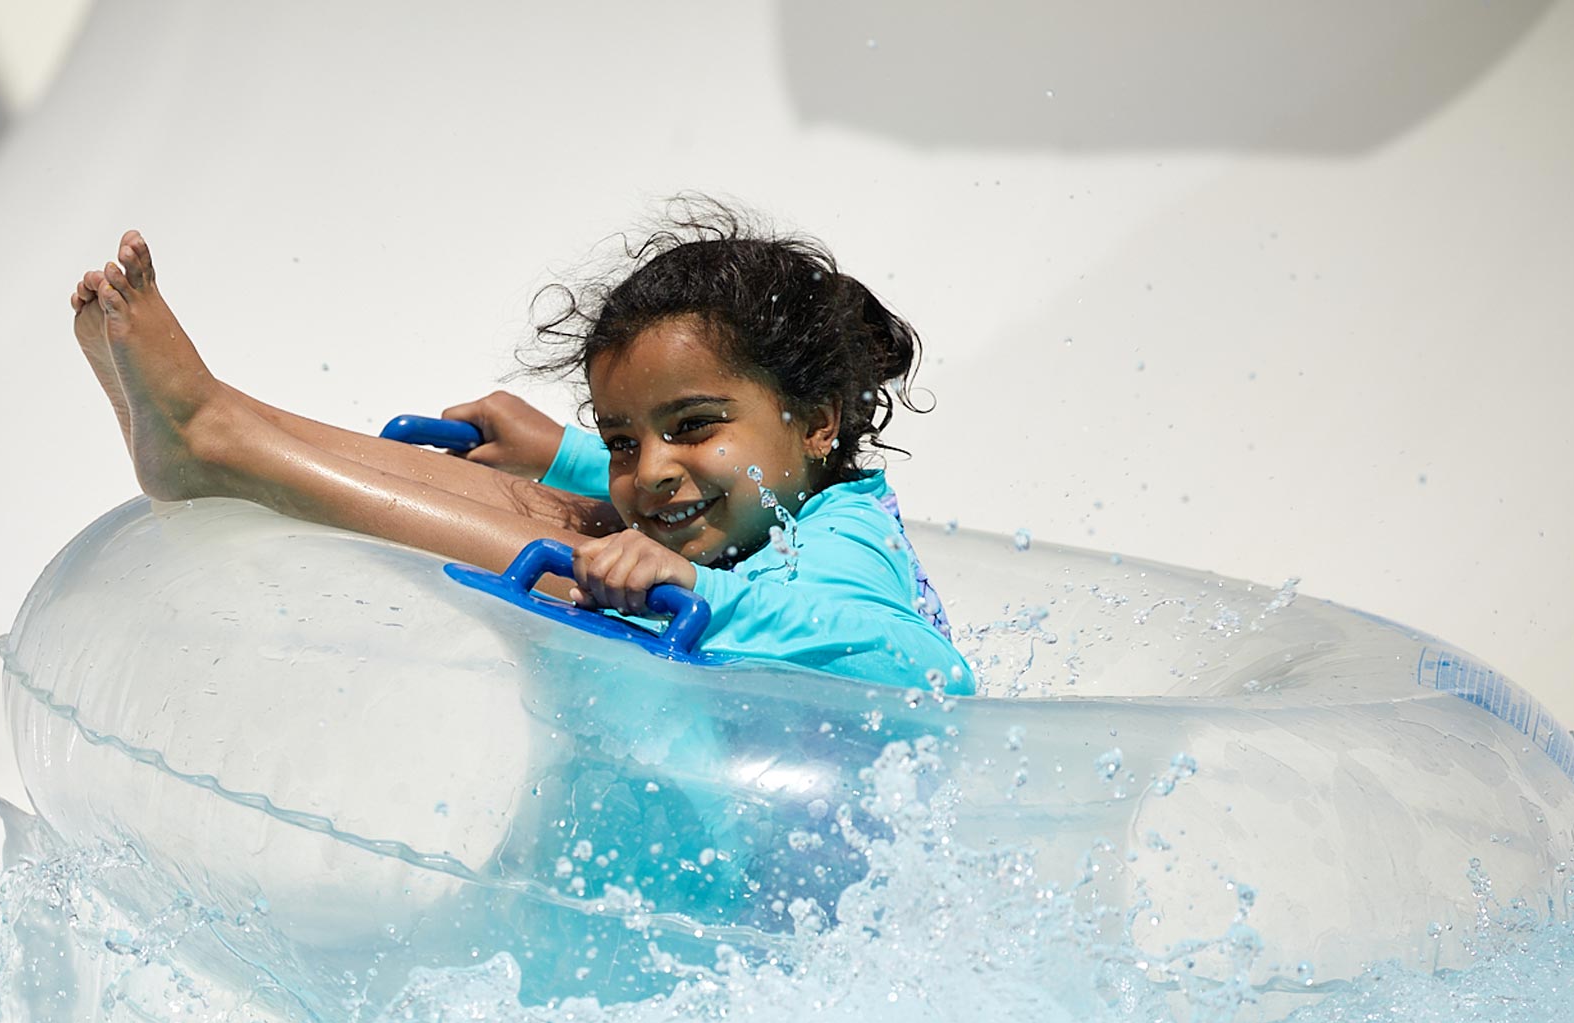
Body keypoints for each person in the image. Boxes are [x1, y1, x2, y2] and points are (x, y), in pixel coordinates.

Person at [68, 206, 973, 694]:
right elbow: (657, 478)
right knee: (595, 526)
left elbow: (921, 668)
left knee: (586, 562)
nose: (652, 468)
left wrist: (699, 592)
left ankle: (220, 445)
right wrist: (565, 455)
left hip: (759, 918)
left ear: (816, 421)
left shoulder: (844, 538)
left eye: (693, 426)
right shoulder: (762, 509)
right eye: (623, 438)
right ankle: (226, 419)